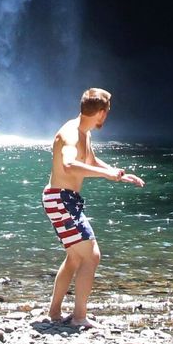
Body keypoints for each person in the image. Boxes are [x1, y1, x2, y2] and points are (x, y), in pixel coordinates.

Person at [42, 87, 145, 330]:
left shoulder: (83, 131)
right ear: (100, 112)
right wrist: (106, 175)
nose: (106, 117)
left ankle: (54, 312)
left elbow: (90, 161)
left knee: (76, 256)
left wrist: (117, 174)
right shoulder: (71, 134)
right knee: (92, 254)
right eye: (106, 112)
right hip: (60, 199)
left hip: (64, 199)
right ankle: (79, 316)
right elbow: (69, 163)